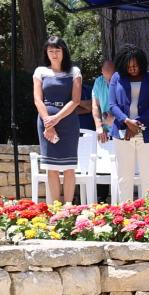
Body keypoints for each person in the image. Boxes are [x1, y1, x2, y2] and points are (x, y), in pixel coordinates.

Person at [108, 46, 149, 203]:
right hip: (122, 132)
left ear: (142, 63)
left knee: (148, 176)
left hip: (147, 132)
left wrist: (136, 124)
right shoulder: (116, 77)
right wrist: (127, 121)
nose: (132, 69)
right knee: (124, 176)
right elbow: (112, 104)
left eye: (135, 65)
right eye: (129, 66)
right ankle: (124, 214)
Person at [33, 35, 82, 205]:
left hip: (68, 123)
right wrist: (48, 122)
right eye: (50, 50)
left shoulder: (74, 71)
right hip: (46, 124)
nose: (54, 54)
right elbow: (38, 99)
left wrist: (56, 118)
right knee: (51, 168)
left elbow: (75, 100)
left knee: (69, 167)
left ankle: (68, 208)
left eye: (57, 50)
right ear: (46, 52)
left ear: (64, 52)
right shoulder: (40, 71)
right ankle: (56, 209)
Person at [91, 59, 115, 144]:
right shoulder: (98, 82)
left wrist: (115, 118)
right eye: (106, 70)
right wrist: (98, 126)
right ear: (102, 71)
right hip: (105, 130)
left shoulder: (122, 81)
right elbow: (95, 106)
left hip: (122, 128)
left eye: (111, 78)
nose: (109, 81)